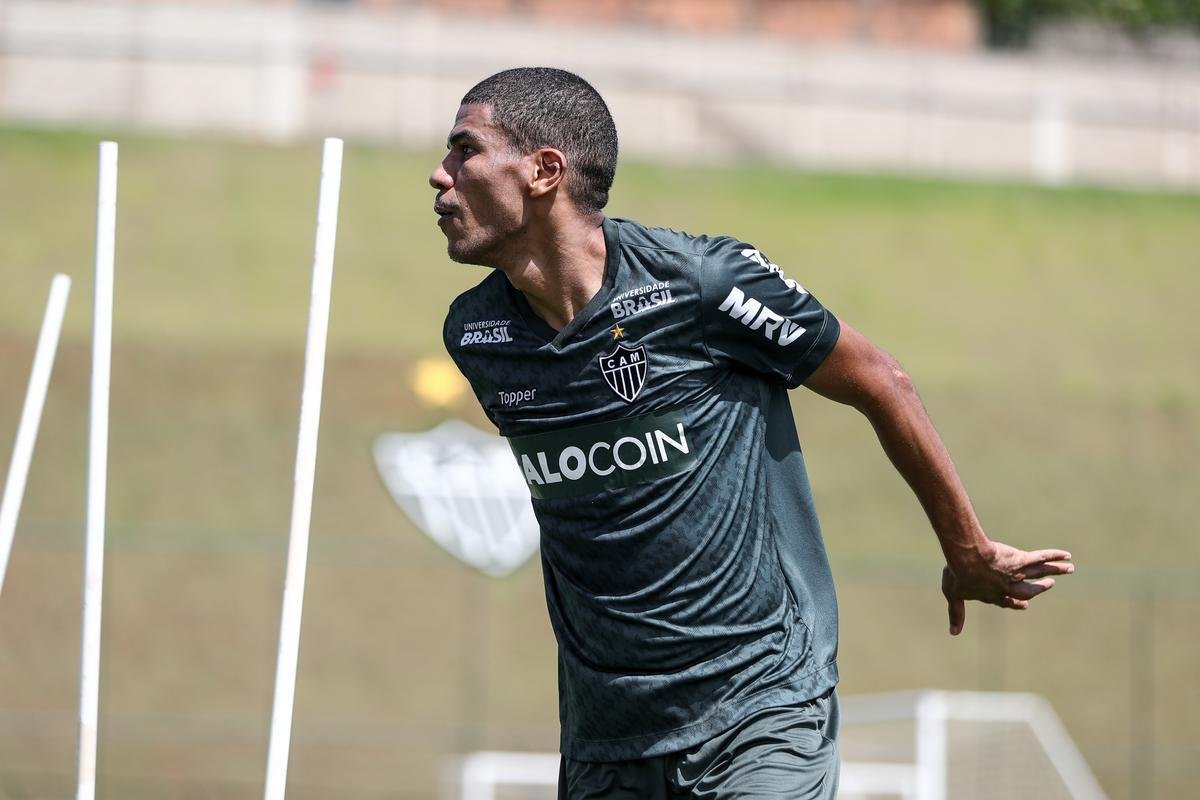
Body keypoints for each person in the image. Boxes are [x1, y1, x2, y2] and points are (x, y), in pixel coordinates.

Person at [434, 67, 1073, 799]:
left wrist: (966, 549)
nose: (440, 175)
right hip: (606, 736)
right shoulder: (476, 336)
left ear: (545, 170)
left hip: (759, 710)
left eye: (465, 151)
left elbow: (881, 381)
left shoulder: (702, 283)